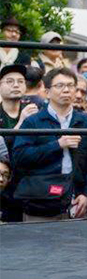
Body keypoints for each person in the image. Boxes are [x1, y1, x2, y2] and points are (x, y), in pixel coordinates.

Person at [11, 68, 87, 221]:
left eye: (71, 85)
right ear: (47, 92)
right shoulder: (34, 121)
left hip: (77, 201)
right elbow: (19, 157)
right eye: (60, 86)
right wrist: (57, 144)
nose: (66, 90)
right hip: (40, 202)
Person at [1, 64, 39, 222]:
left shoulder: (34, 110)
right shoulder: (25, 115)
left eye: (20, 81)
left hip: (27, 182)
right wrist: (22, 122)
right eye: (10, 81)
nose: (16, 85)